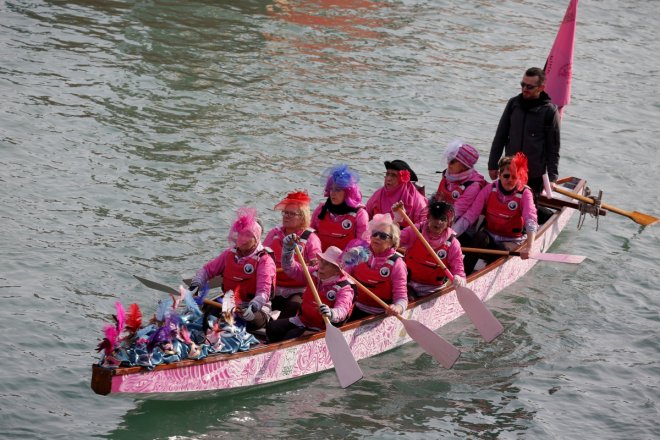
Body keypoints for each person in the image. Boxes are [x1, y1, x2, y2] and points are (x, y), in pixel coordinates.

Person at [189, 207, 276, 333]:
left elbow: (264, 293)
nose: (242, 239)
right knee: (209, 315)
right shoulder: (229, 254)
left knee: (248, 321)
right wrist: (196, 284)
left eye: (247, 235)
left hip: (256, 309)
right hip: (230, 303)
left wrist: (253, 306)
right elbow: (207, 270)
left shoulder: (264, 260)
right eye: (241, 234)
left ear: (256, 239)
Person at [454, 153, 538, 274]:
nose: (510, 180)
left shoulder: (524, 193)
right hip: (490, 235)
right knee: (479, 238)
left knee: (502, 250)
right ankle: (463, 274)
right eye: (506, 176)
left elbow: (530, 219)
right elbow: (470, 215)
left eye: (514, 177)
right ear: (499, 175)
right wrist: (451, 235)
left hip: (512, 240)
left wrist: (530, 247)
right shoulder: (489, 189)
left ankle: (486, 274)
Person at [488, 67, 561, 200]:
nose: (524, 89)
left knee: (528, 209)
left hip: (534, 175)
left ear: (541, 88)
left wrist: (552, 178)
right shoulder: (513, 104)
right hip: (510, 171)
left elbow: (553, 149)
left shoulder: (550, 112)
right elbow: (500, 136)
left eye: (529, 86)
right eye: (522, 84)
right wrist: (492, 164)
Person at [266, 244, 355, 342]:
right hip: (304, 320)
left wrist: (331, 313)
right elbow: (290, 269)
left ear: (337, 271)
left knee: (290, 335)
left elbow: (342, 310)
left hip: (323, 327)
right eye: (322, 261)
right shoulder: (313, 273)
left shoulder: (345, 288)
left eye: (328, 263)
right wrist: (288, 250)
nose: (321, 265)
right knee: (272, 327)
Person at [263, 191, 322, 320]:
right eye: (285, 213)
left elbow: (317, 268)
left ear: (302, 217)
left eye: (291, 214)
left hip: (297, 290)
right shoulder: (274, 233)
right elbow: (261, 256)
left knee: (290, 310)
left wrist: (305, 266)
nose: (286, 216)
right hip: (272, 286)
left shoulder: (311, 239)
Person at [344, 214, 408, 319]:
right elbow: (344, 277)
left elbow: (401, 297)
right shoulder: (359, 253)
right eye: (375, 234)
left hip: (381, 312)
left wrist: (398, 307)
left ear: (392, 242)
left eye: (383, 236)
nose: (377, 237)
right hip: (354, 305)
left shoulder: (397, 264)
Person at [396, 201, 467, 297]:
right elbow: (391, 243)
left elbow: (458, 268)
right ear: (428, 217)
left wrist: (459, 277)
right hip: (408, 283)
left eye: (443, 219)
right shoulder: (415, 230)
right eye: (435, 218)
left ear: (448, 223)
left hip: (434, 290)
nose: (438, 222)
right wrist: (396, 220)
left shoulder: (453, 244)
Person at [432, 140, 487, 243]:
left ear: (463, 165)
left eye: (453, 161)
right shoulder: (448, 175)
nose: (449, 163)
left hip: (462, 228)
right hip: (440, 220)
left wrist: (445, 237)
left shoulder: (473, 186)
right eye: (449, 159)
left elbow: (456, 213)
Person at [311, 164, 369, 252]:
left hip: (345, 261)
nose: (333, 193)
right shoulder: (321, 210)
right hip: (320, 260)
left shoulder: (359, 214)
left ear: (348, 192)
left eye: (337, 189)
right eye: (331, 189)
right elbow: (311, 236)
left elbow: (363, 243)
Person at [365, 160, 428, 228]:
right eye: (387, 174)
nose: (388, 179)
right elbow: (366, 217)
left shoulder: (418, 201)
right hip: (379, 235)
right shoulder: (378, 195)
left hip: (407, 235)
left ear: (402, 179)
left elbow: (423, 227)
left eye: (393, 175)